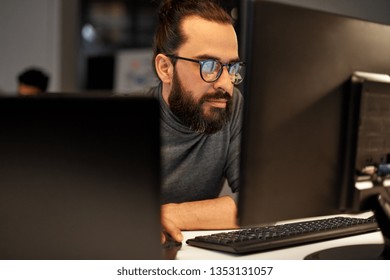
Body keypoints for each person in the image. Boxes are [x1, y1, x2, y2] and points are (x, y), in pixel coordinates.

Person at [148, 0, 245, 243]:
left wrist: (168, 213)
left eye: (231, 67)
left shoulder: (229, 105)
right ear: (165, 68)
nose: (225, 84)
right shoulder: (123, 121)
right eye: (209, 66)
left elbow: (258, 202)